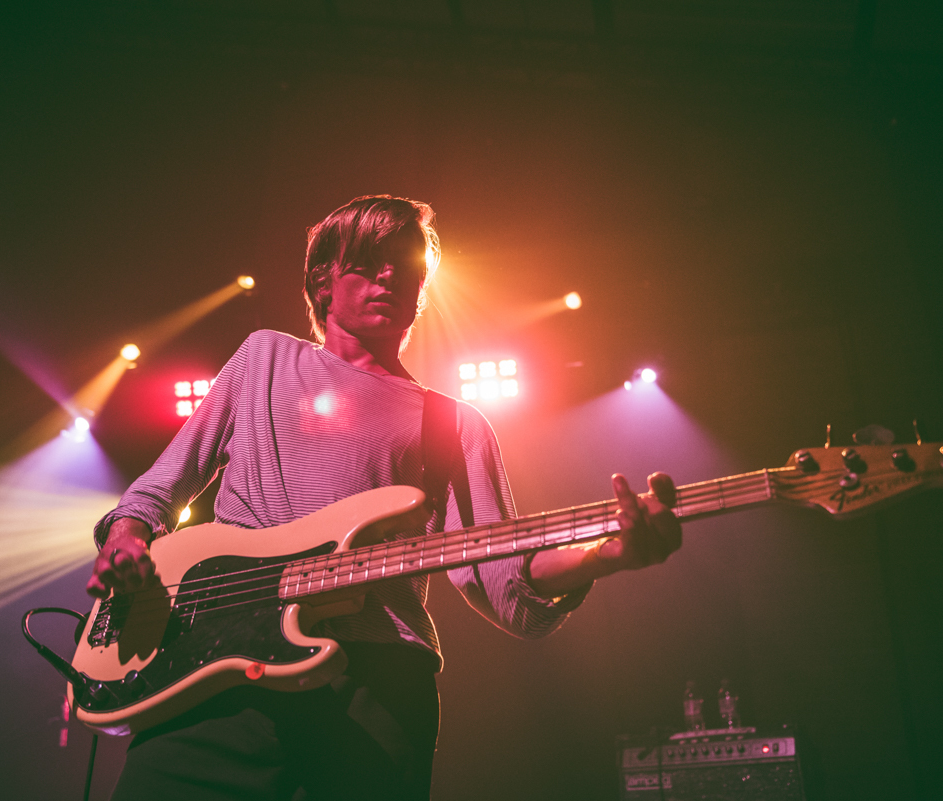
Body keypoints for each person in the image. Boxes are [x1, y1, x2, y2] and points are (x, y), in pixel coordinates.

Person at [87, 195, 681, 800]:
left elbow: (503, 581)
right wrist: (126, 540)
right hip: (216, 675)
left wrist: (607, 556)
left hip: (373, 682)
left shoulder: (454, 424)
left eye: (408, 267)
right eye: (371, 263)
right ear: (324, 280)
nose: (392, 277)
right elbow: (158, 488)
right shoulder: (264, 356)